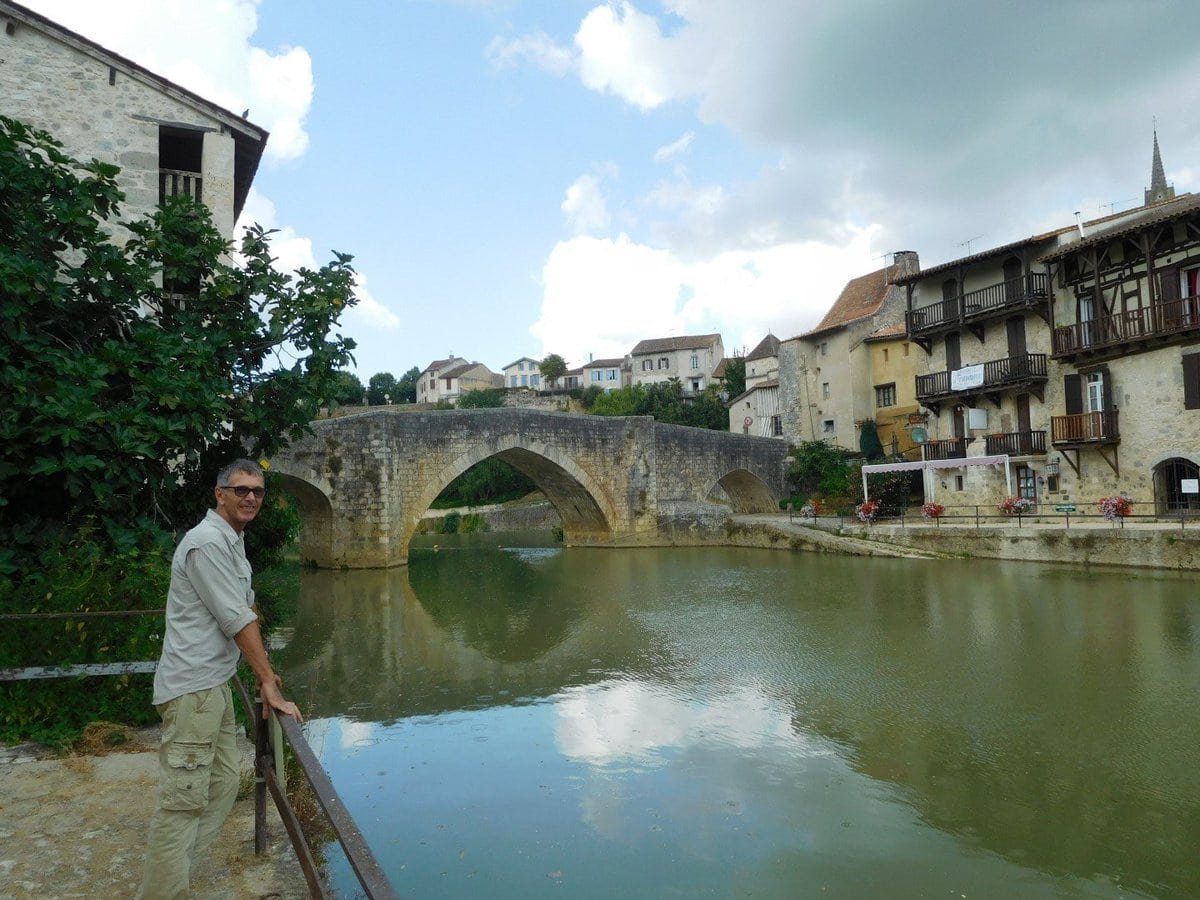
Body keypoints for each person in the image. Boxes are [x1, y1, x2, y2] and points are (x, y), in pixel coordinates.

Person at [137, 459, 303, 899]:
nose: (251, 497)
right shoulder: (208, 543)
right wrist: (266, 678)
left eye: (258, 491)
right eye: (241, 489)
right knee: (182, 802)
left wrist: (256, 667)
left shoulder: (232, 541)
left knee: (226, 781)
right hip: (194, 690)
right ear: (219, 493)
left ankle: (174, 878)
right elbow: (235, 617)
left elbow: (240, 612)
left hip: (213, 686)